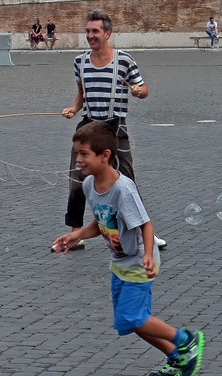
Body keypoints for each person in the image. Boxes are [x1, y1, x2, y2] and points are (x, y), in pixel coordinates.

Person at [52, 121, 205, 376]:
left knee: (134, 317)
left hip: (138, 262)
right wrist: (78, 234)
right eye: (77, 153)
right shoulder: (89, 185)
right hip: (120, 263)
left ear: (105, 155)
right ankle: (176, 356)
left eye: (84, 154)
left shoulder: (123, 190)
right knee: (130, 321)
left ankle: (186, 340)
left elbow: (145, 224)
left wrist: (148, 255)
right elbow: (103, 222)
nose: (78, 159)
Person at [59, 9, 166, 252]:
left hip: (115, 126)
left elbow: (143, 89)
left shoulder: (124, 60)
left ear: (107, 33)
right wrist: (73, 109)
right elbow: (81, 94)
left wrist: (138, 92)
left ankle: (144, 232)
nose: (90, 35)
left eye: (95, 31)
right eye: (87, 31)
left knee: (127, 180)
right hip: (88, 125)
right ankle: (76, 233)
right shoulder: (79, 61)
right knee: (77, 178)